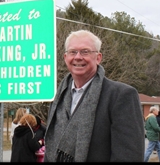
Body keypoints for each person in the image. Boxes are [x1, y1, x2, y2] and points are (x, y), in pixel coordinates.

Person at [44, 30, 144, 162]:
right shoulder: (58, 97)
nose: (78, 57)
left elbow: (129, 156)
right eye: (73, 52)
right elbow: (50, 146)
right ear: (65, 57)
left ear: (98, 58)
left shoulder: (121, 95)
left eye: (85, 52)